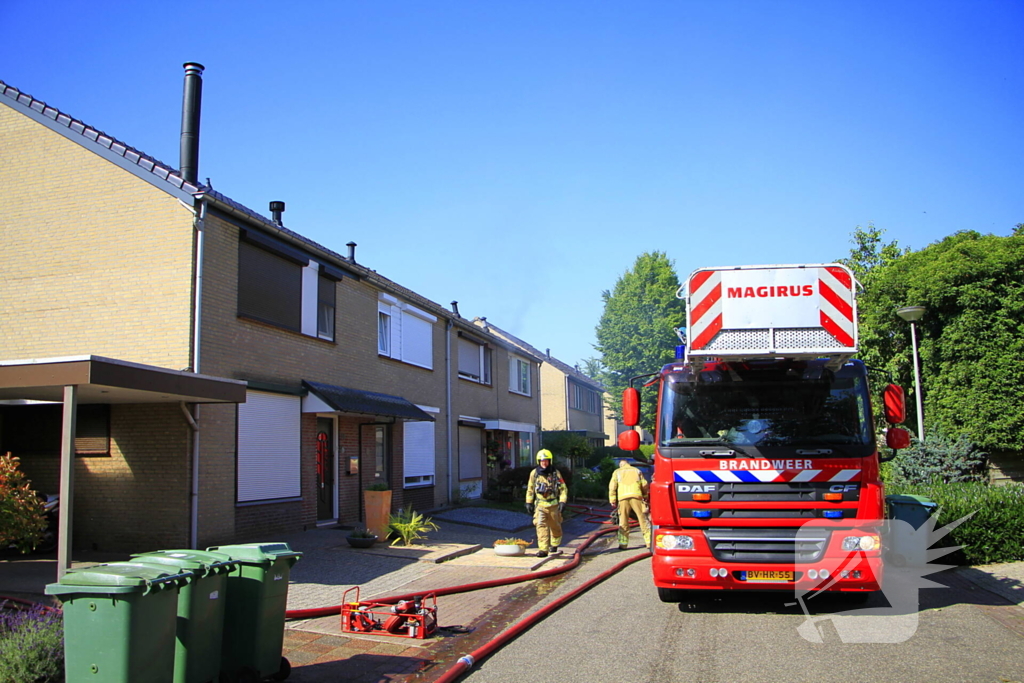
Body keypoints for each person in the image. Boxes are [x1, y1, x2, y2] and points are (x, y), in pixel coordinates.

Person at [525, 449, 567, 558]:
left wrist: (562, 501)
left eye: (546, 461)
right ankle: (543, 549)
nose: (544, 463)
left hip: (553, 505)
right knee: (540, 526)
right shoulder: (534, 474)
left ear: (550, 461)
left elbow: (563, 488)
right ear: (539, 461)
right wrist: (528, 502)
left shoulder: (555, 473)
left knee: (555, 526)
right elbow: (530, 488)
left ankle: (555, 543)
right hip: (540, 505)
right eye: (542, 461)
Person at [609, 458, 651, 550]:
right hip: (636, 496)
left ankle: (623, 544)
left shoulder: (617, 472)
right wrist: (645, 495)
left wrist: (612, 499)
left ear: (620, 465)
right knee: (643, 519)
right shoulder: (636, 471)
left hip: (623, 498)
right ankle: (649, 542)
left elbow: (612, 486)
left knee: (623, 520)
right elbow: (644, 484)